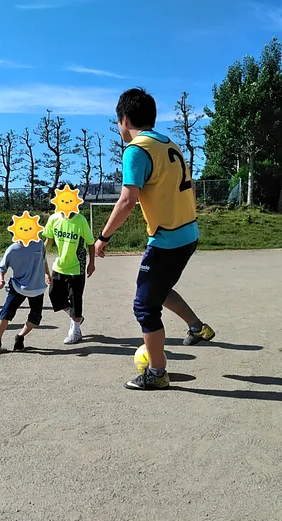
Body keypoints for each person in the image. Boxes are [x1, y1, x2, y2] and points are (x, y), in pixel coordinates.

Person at [94, 87, 215, 391]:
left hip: (167, 239)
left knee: (144, 307)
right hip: (189, 233)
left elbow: (126, 201)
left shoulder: (137, 149)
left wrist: (103, 237)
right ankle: (197, 327)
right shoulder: (168, 144)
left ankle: (157, 372)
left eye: (117, 123)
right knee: (158, 290)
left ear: (124, 119)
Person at [0, 234, 52, 355]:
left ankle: (20, 336)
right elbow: (1, 267)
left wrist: (47, 273)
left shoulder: (39, 244)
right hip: (17, 286)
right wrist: (0, 279)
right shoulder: (13, 249)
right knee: (5, 313)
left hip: (37, 288)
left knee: (35, 317)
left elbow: (43, 260)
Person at [44, 205, 96, 344]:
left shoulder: (80, 220)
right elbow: (48, 241)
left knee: (75, 298)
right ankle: (76, 317)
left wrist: (92, 263)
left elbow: (91, 243)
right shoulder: (54, 219)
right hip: (59, 265)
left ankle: (76, 330)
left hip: (77, 266)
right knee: (54, 294)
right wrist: (39, 255)